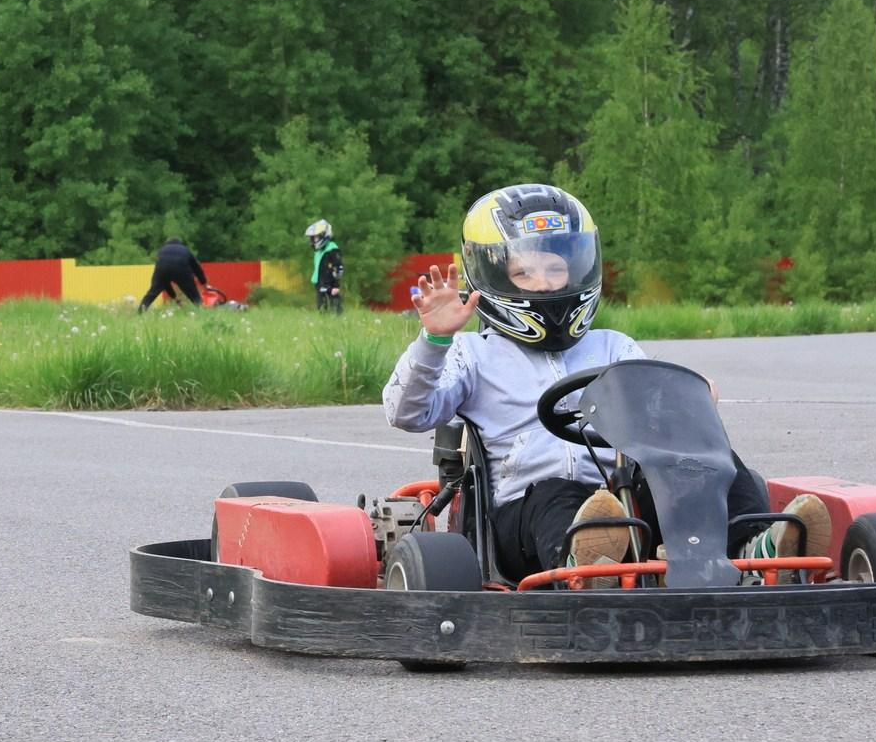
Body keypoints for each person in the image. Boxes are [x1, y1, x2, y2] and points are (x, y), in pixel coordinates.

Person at [381, 183, 827, 584]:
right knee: (557, 494)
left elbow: (661, 410)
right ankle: (587, 569)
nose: (544, 283)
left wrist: (689, 401)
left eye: (555, 269)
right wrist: (434, 340)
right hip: (523, 515)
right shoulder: (471, 355)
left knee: (710, 462)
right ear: (494, 276)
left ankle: (758, 551)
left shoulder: (612, 347)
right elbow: (406, 411)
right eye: (525, 273)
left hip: (623, 497)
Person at [139, 237, 209, 311]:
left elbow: (165, 283)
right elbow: (196, 267)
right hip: (181, 270)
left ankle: (140, 311)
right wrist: (203, 282)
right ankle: (201, 310)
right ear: (180, 243)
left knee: (152, 293)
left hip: (162, 270)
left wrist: (174, 297)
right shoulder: (185, 250)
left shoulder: (162, 250)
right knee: (194, 295)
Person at [307, 219, 344, 313]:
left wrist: (336, 285)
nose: (314, 240)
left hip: (330, 286)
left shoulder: (332, 249)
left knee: (334, 310)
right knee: (322, 309)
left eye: (316, 238)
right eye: (313, 238)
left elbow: (338, 268)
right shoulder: (318, 251)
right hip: (320, 284)